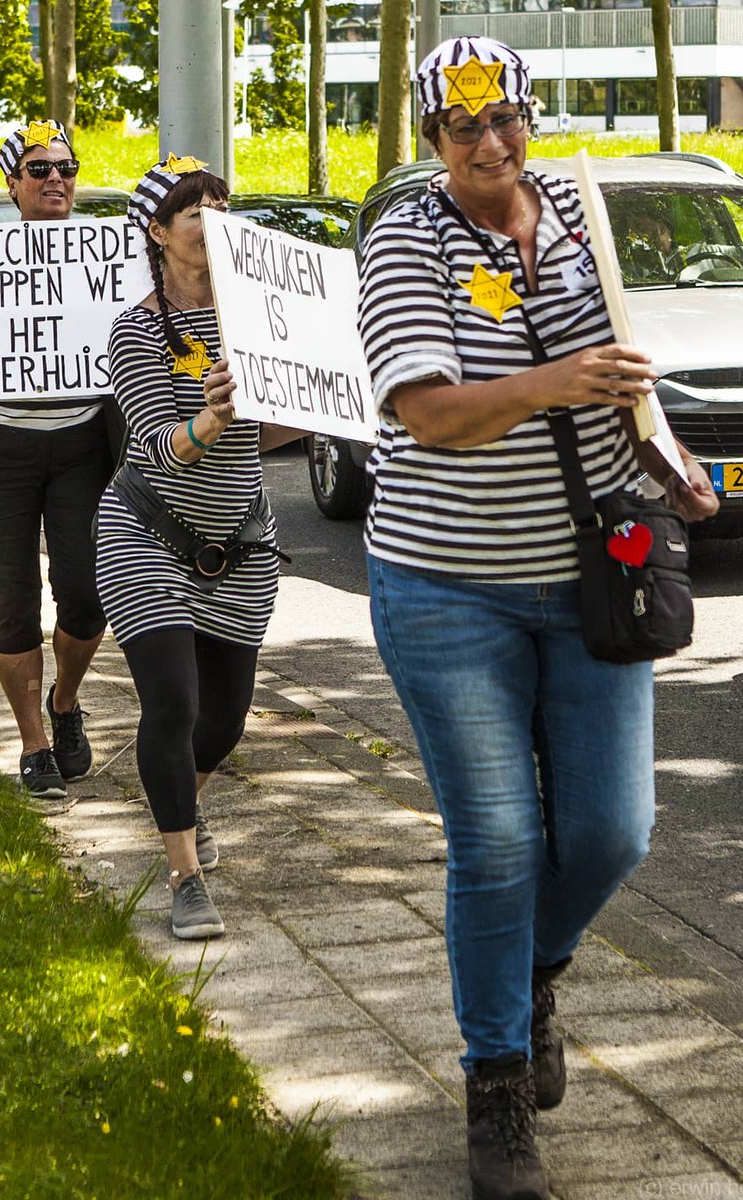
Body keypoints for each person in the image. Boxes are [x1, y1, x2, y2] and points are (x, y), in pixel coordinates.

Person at [358, 37, 719, 1200]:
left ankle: (532, 972)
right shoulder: (405, 237)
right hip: (445, 586)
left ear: (530, 113)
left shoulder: (576, 208)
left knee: (614, 831)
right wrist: (558, 383)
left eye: (506, 117)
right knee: (502, 843)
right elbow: (427, 415)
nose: (492, 143)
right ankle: (498, 1092)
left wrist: (669, 461)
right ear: (432, 139)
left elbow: (628, 370)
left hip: (591, 582)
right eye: (464, 129)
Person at [96, 157, 302, 941]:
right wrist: (210, 421)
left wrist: (319, 403)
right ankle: (184, 876)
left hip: (242, 546)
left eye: (220, 204)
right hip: (146, 536)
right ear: (158, 232)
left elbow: (276, 430)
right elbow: (151, 445)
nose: (213, 217)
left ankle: (185, 795)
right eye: (193, 210)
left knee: (223, 723)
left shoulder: (261, 314)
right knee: (174, 704)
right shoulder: (138, 328)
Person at [0, 120, 110, 804]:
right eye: (38, 168)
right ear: (12, 183)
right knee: (11, 600)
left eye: (66, 167)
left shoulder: (108, 255)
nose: (56, 178)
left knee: (86, 592)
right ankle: (33, 743)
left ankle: (66, 697)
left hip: (80, 440)